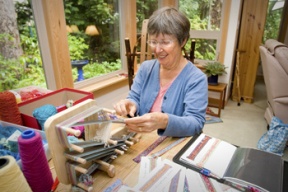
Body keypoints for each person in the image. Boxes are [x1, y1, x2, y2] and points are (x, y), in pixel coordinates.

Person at [114, 7, 208, 137]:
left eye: (165, 42)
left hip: (171, 145)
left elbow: (196, 123)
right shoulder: (145, 68)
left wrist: (164, 121)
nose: (157, 50)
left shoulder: (196, 78)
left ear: (183, 41)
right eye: (153, 42)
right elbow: (134, 97)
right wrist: (130, 104)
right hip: (143, 140)